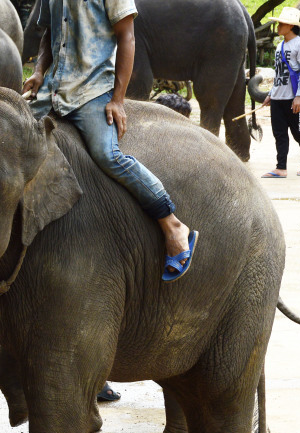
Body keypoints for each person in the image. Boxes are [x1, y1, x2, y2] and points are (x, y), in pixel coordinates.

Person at [22, 0, 198, 282]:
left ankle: (172, 224)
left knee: (107, 155)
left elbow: (127, 36)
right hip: (52, 88)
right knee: (14, 139)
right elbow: (49, 34)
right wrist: (40, 71)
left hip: (91, 90)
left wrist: (118, 99)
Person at [259, 8, 300, 178]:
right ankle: (281, 167)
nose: (278, 26)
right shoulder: (280, 46)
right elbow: (278, 73)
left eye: (281, 23)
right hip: (277, 97)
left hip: (293, 97)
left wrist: (299, 96)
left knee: (298, 131)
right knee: (279, 133)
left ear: (290, 26)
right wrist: (271, 94)